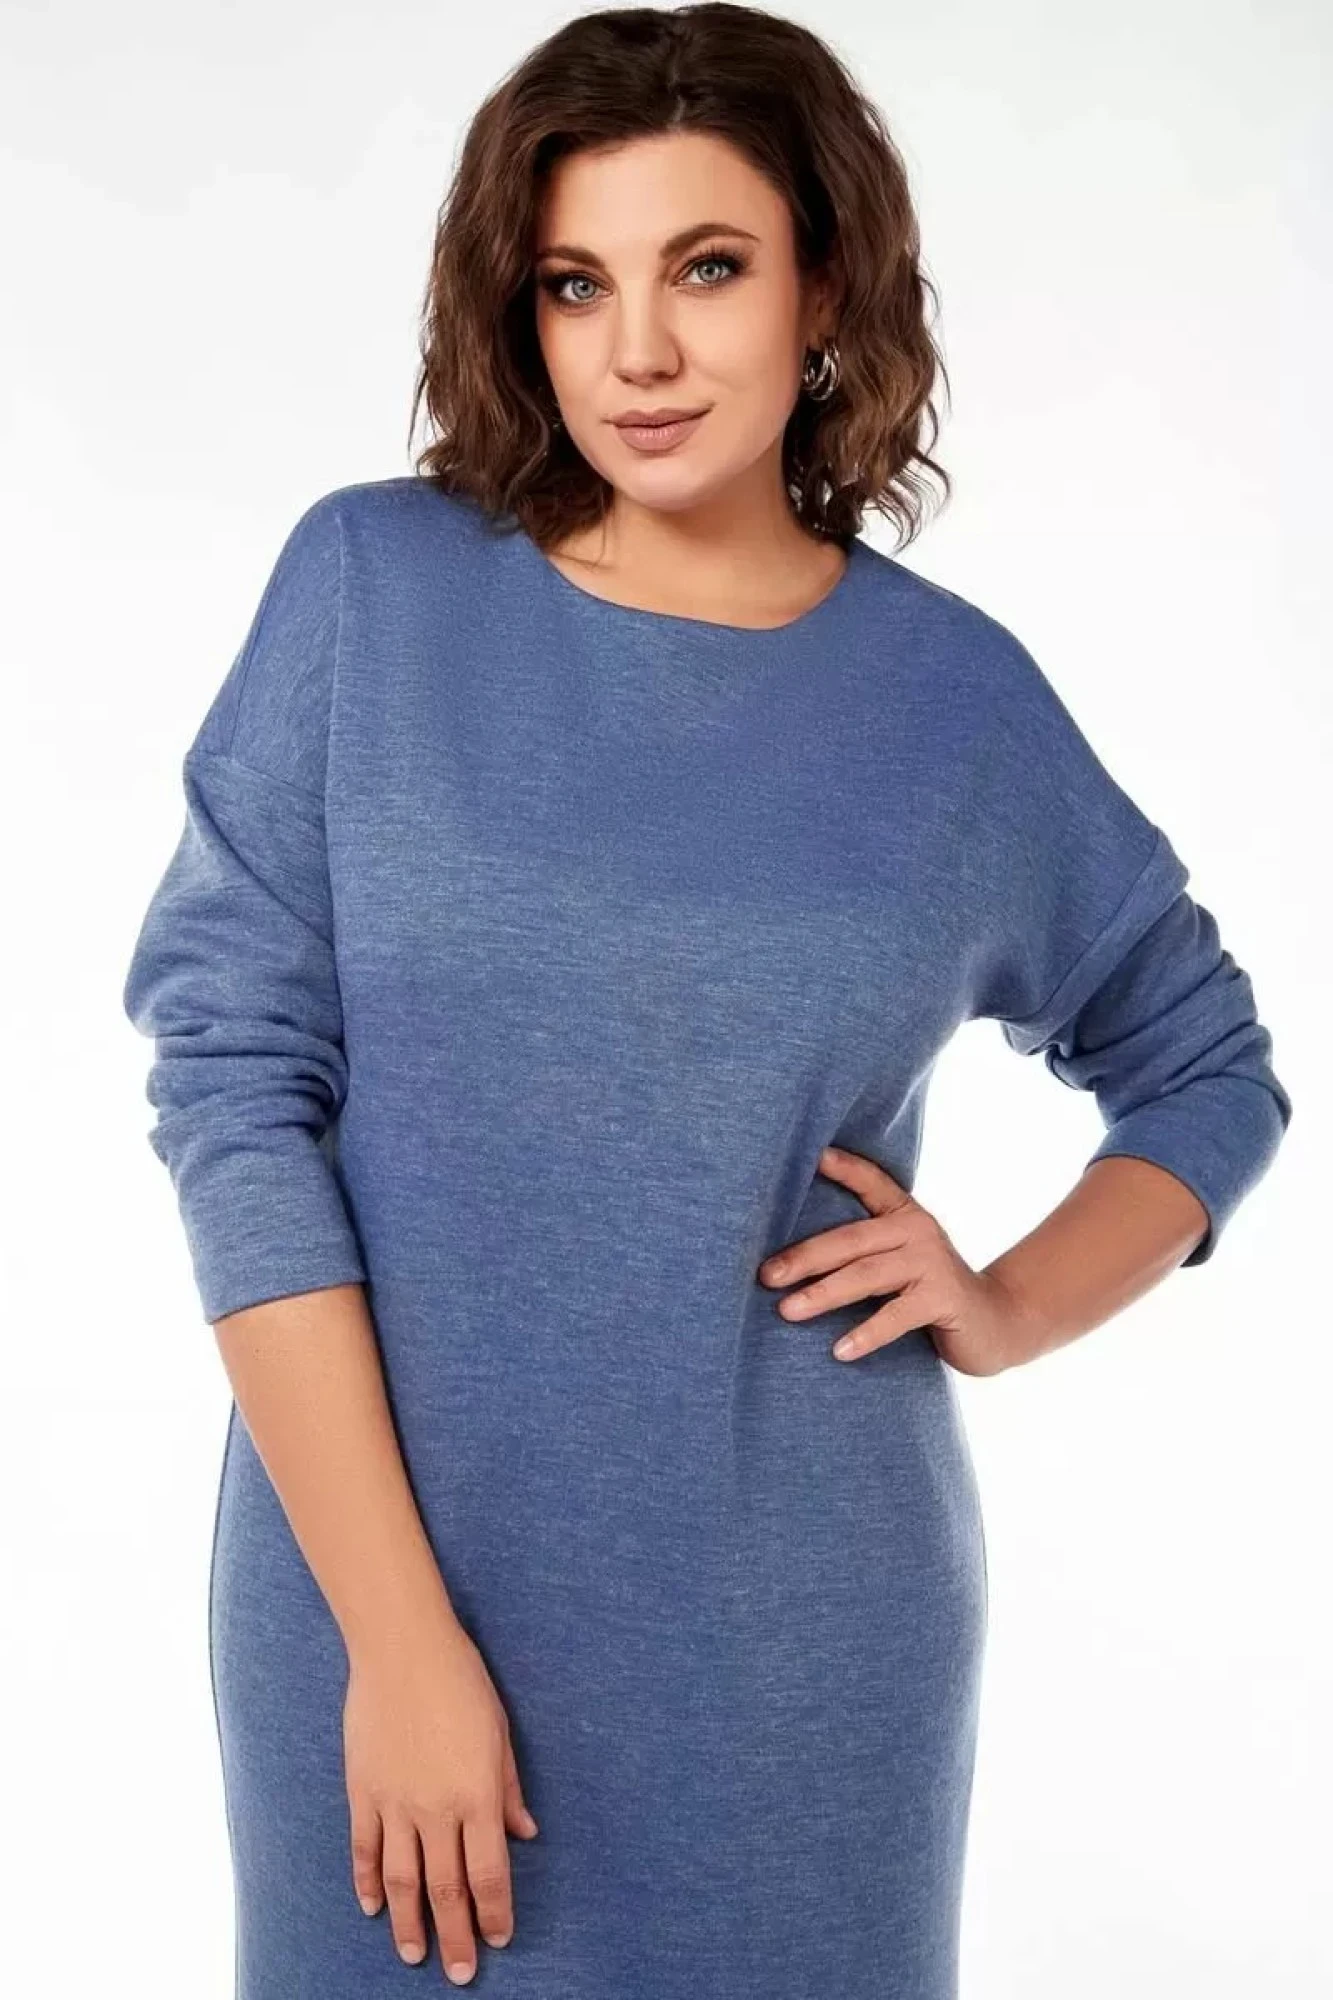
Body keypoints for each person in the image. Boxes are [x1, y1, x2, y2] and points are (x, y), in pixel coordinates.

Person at [120, 6, 1292, 1996]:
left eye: (709, 267)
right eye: (577, 283)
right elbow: (234, 1087)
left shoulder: (951, 707)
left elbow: (1207, 1066)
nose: (639, 350)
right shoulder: (374, 593)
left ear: (825, 288)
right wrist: (398, 1642)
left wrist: (1006, 1305)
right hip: (375, 1622)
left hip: (802, 1658)